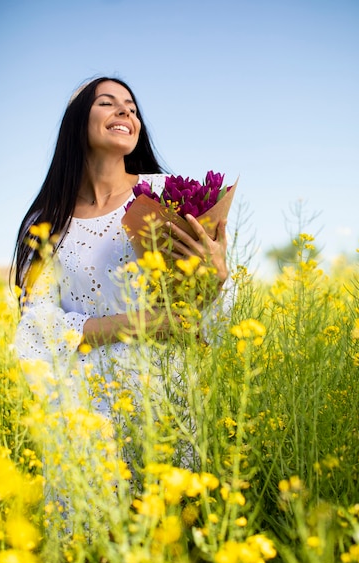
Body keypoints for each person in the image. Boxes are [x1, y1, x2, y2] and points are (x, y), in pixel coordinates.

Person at [12, 76, 229, 418]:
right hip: (83, 413)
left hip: (165, 402)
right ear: (77, 120)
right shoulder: (46, 221)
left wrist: (218, 278)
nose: (125, 112)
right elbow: (36, 327)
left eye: (132, 108)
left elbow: (207, 318)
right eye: (107, 103)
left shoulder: (168, 194)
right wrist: (139, 323)